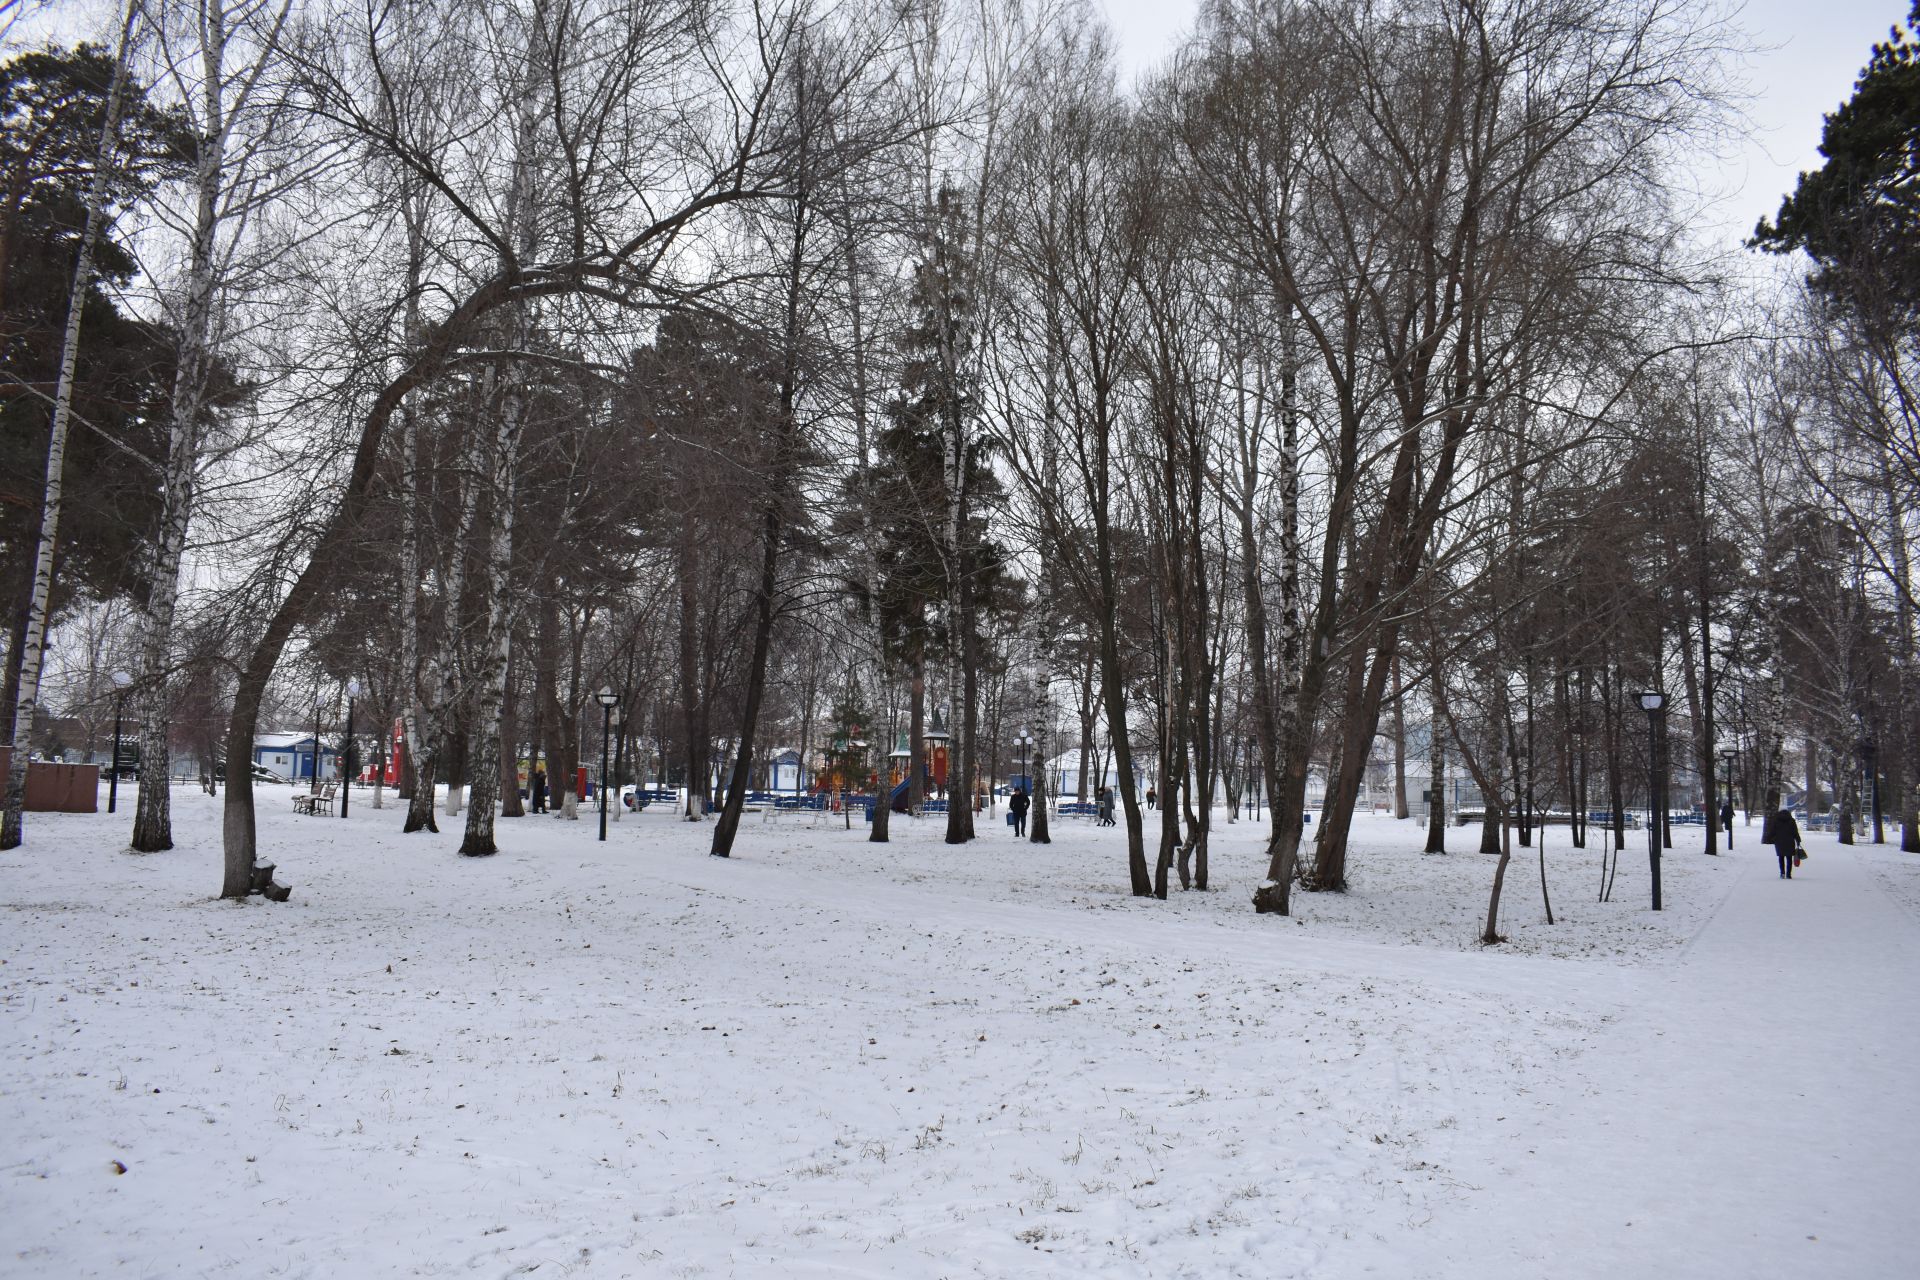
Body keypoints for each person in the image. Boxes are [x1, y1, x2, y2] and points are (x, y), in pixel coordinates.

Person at [1770, 800, 1801, 879]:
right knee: (1789, 858)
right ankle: (1788, 874)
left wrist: (1773, 838)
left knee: (1781, 857)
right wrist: (1798, 840)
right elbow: (1795, 832)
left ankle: (1782, 873)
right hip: (1789, 842)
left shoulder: (1776, 821)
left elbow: (1772, 831)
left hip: (1779, 842)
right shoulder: (1791, 821)